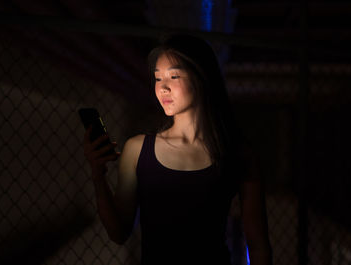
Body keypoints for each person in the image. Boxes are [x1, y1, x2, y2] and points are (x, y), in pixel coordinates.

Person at [83, 34, 272, 265]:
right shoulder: (137, 150)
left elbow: (259, 245)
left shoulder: (239, 153)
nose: (162, 87)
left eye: (174, 76)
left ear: (201, 77)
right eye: (157, 78)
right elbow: (119, 232)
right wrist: (97, 175)